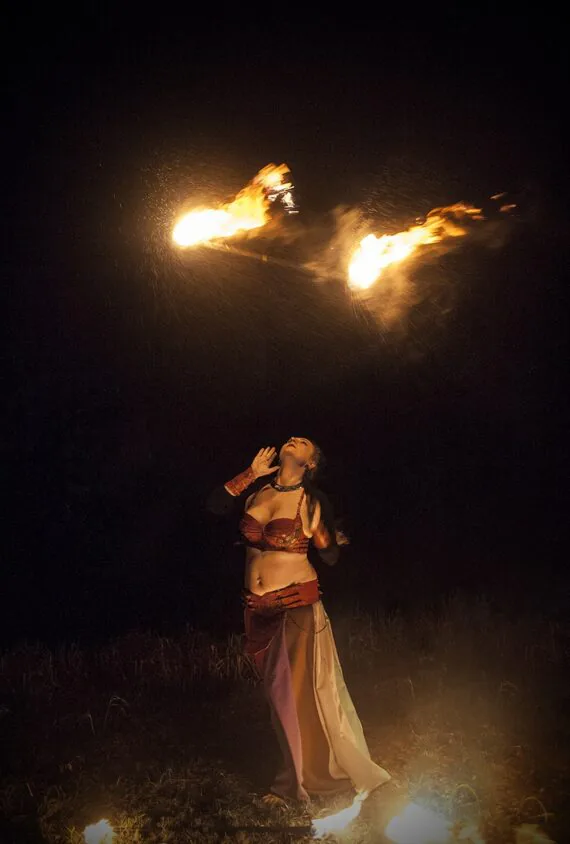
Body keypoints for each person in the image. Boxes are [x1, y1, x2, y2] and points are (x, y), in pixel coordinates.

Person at [207, 437, 391, 804]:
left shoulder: (311, 499)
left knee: (285, 692)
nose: (294, 440)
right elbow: (213, 506)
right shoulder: (257, 493)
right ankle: (307, 774)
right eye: (293, 438)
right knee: (283, 698)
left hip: (294, 604)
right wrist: (250, 474)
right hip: (256, 609)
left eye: (303, 443)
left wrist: (320, 532)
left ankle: (293, 786)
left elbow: (331, 557)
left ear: (310, 463)